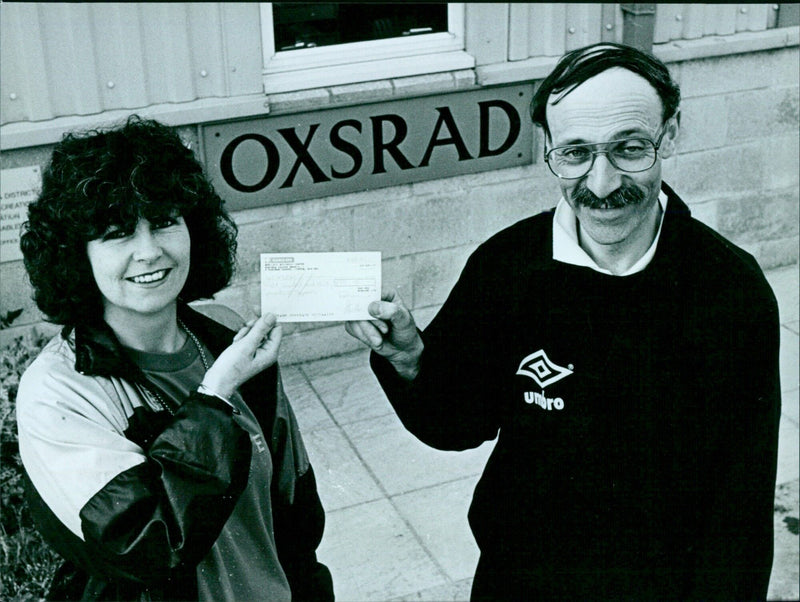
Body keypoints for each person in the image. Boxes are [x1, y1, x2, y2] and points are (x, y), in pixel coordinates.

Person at [345, 43, 781, 600]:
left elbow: (740, 508)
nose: (600, 185)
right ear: (548, 147)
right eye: (575, 154)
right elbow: (456, 423)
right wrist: (410, 359)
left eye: (629, 149)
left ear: (669, 135)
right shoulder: (507, 268)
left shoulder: (730, 291)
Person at [17, 116, 333, 601]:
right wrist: (214, 398)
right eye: (118, 233)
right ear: (76, 254)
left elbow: (294, 510)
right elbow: (144, 545)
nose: (149, 251)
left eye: (165, 222)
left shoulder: (224, 334)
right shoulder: (59, 390)